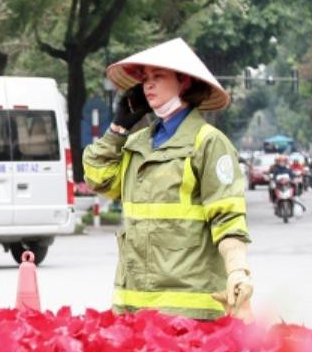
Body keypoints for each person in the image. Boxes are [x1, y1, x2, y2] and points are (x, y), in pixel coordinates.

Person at [83, 38, 253, 321]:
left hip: (189, 311)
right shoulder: (136, 143)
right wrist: (117, 128)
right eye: (145, 79)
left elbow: (228, 219)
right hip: (133, 307)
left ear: (184, 81)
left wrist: (237, 270)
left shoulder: (208, 143)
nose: (148, 85)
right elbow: (98, 180)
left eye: (158, 77)